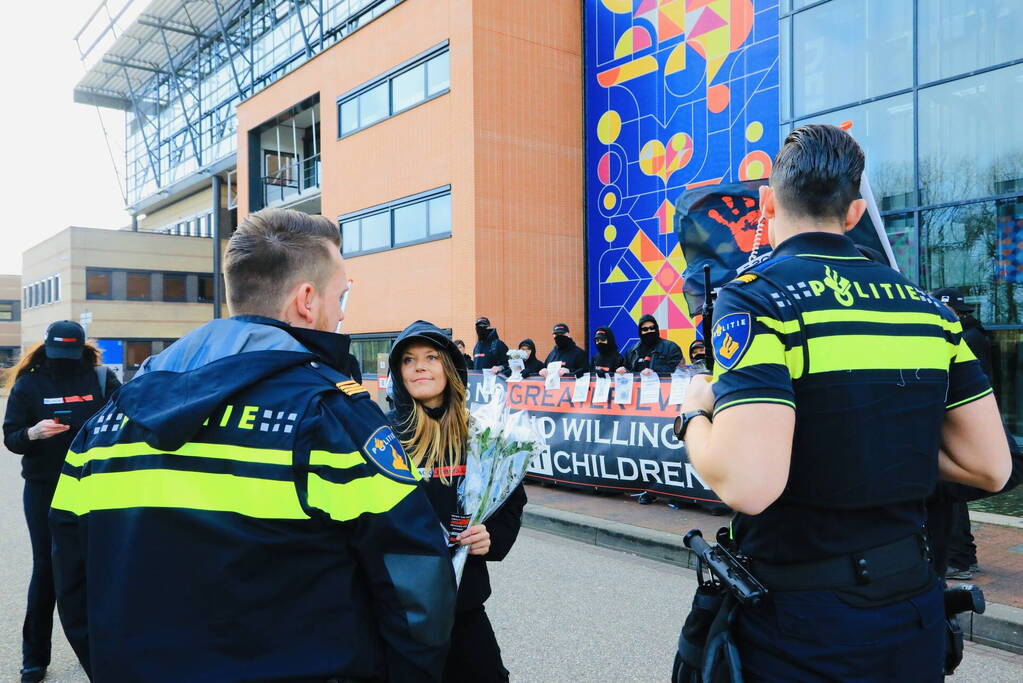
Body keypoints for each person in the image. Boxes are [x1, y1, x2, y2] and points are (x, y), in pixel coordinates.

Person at [49, 209, 456, 682]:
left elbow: (73, 579)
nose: (342, 312)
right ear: (307, 300)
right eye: (340, 295)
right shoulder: (331, 417)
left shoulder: (106, 423)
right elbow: (413, 580)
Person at [678, 124, 1010, 681]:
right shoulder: (929, 310)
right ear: (854, 213)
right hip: (911, 610)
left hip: (802, 622)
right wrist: (873, 443)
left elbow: (748, 485)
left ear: (767, 204)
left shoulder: (757, 298)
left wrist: (693, 414)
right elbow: (990, 466)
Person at [388, 320, 526, 683]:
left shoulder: (479, 432)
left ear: (449, 366)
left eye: (431, 357)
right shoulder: (382, 435)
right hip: (400, 608)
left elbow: (510, 498)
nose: (419, 367)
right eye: (408, 359)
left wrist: (490, 535)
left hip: (463, 604)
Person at [3, 322, 120, 683]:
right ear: (47, 348)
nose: (64, 361)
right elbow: (12, 437)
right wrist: (33, 432)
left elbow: (123, 421)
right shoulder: (29, 384)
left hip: (93, 484)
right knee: (47, 570)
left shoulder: (101, 379)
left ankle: (99, 652)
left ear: (82, 349)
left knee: (97, 568)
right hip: (45, 488)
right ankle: (34, 659)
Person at [931, 287, 995, 580]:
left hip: (962, 421)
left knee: (950, 492)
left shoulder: (965, 339)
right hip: (967, 419)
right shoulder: (973, 335)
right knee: (952, 493)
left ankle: (960, 558)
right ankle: (962, 556)